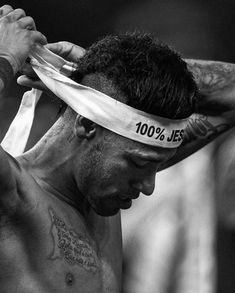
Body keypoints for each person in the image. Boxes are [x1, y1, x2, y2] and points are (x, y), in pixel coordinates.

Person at [1, 4, 235, 293]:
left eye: (155, 165)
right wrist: (6, 57)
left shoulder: (104, 194)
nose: (149, 187)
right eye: (138, 164)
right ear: (87, 126)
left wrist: (94, 68)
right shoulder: (14, 194)